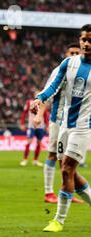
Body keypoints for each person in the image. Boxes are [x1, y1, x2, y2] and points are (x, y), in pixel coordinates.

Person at [31, 24, 91, 232]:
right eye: (84, 39)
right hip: (64, 124)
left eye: (90, 40)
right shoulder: (69, 63)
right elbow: (53, 86)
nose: (86, 44)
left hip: (83, 127)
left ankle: (59, 220)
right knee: (70, 173)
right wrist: (39, 98)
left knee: (66, 168)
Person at [34, 43, 83, 203]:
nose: (74, 54)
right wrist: (40, 116)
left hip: (75, 122)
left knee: (68, 160)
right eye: (72, 52)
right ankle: (48, 193)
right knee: (53, 154)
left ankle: (67, 190)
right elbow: (47, 91)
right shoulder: (60, 70)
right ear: (66, 53)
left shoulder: (83, 69)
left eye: (77, 52)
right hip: (58, 120)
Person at [19, 91, 49, 167]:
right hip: (31, 125)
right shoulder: (29, 102)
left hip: (40, 126)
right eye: (37, 94)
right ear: (34, 95)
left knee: (39, 143)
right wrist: (22, 123)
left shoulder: (43, 103)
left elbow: (45, 115)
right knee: (29, 141)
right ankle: (25, 159)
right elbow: (24, 113)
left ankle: (35, 160)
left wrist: (47, 125)